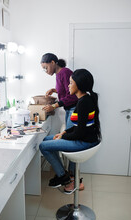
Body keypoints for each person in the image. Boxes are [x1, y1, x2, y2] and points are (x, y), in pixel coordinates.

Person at [39, 69, 101, 193]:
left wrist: (63, 137)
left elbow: (80, 133)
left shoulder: (83, 102)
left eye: (71, 83)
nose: (68, 86)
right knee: (46, 139)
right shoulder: (84, 99)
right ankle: (64, 175)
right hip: (84, 138)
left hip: (84, 142)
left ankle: (63, 177)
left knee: (43, 146)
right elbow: (79, 126)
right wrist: (64, 133)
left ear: (79, 85)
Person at [41, 53, 79, 184]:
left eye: (46, 68)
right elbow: (66, 91)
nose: (46, 71)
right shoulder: (59, 74)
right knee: (68, 139)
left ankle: (71, 176)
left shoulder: (65, 72)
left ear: (53, 62)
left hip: (74, 110)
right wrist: (55, 90)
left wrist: (55, 105)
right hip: (70, 110)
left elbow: (74, 95)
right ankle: (67, 174)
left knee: (70, 142)